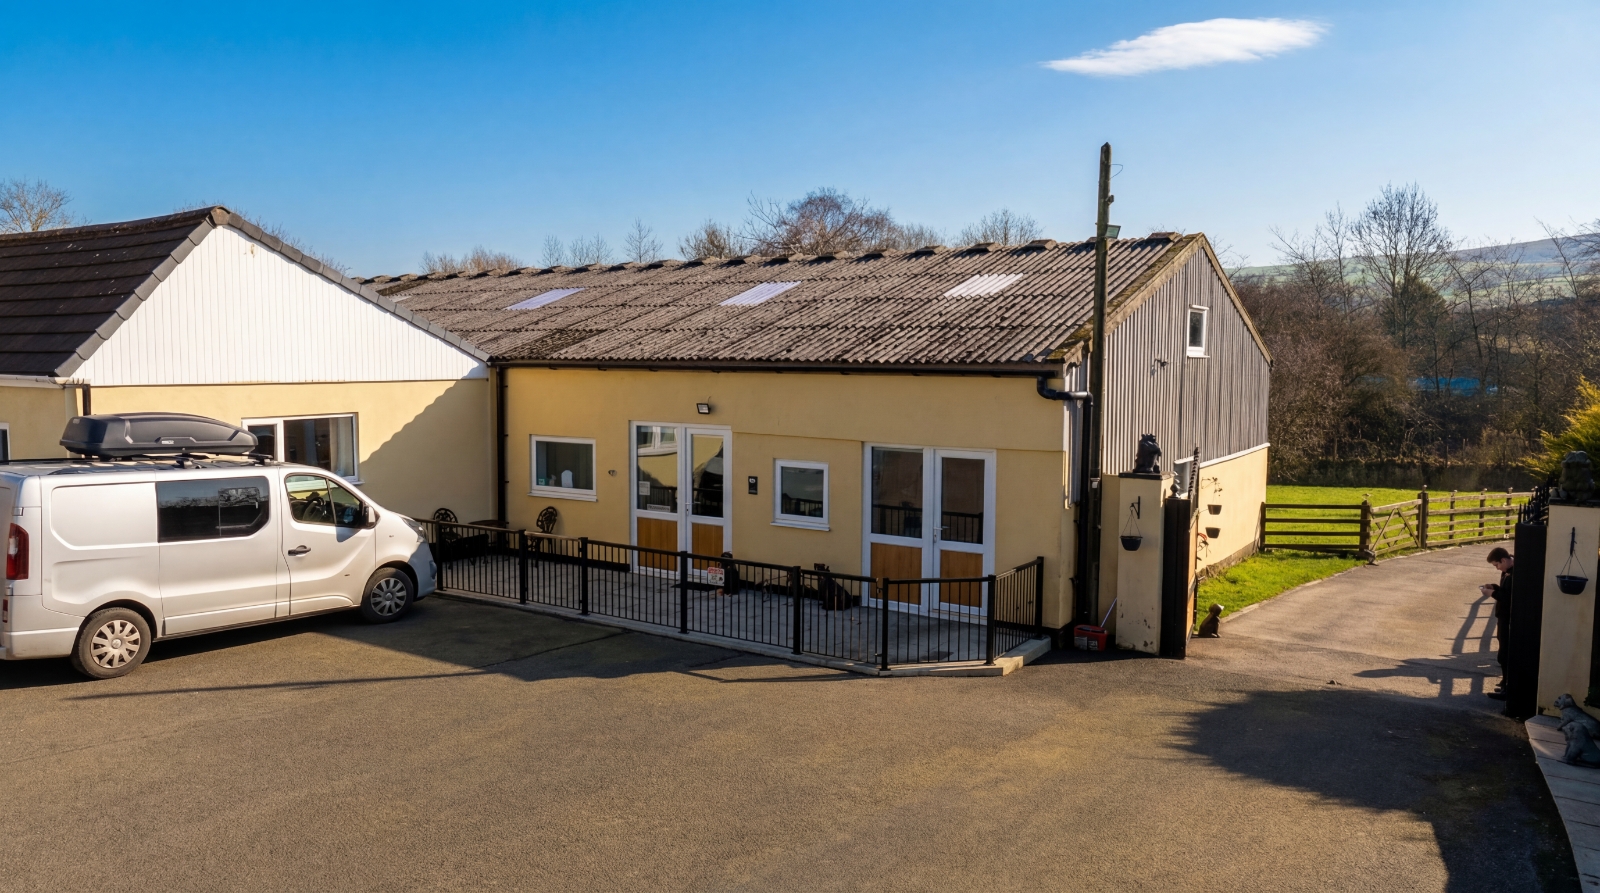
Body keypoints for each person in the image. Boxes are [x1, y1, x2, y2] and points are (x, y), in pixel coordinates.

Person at [1481, 547, 1515, 700]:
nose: (1497, 568)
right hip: (1503, 617)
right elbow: (1506, 591)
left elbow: (1509, 597)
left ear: (1503, 560)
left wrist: (1492, 593)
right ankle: (1505, 683)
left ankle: (1508, 688)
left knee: (1506, 653)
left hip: (1509, 618)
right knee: (1502, 653)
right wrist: (1494, 587)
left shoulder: (1515, 573)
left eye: (1497, 565)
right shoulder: (1507, 570)